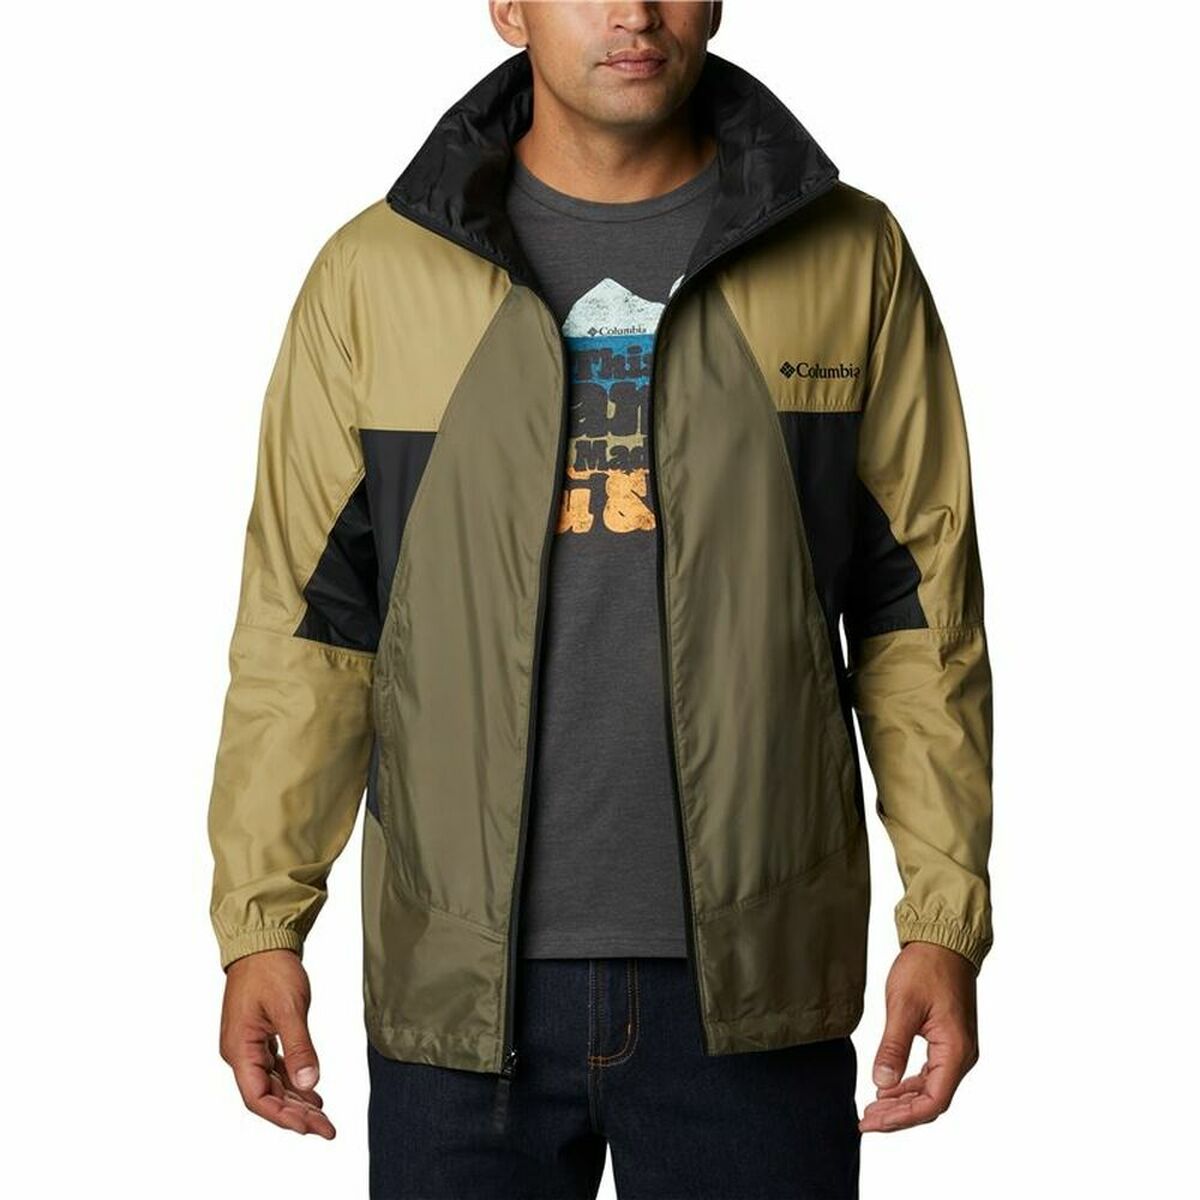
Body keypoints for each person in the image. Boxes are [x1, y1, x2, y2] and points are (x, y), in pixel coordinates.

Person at [207, 3, 994, 1196]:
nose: (633, 10)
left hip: (756, 985)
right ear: (508, 8)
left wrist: (941, 917)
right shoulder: (375, 275)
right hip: (460, 993)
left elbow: (915, 620)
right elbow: (309, 631)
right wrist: (261, 925)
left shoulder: (848, 257)